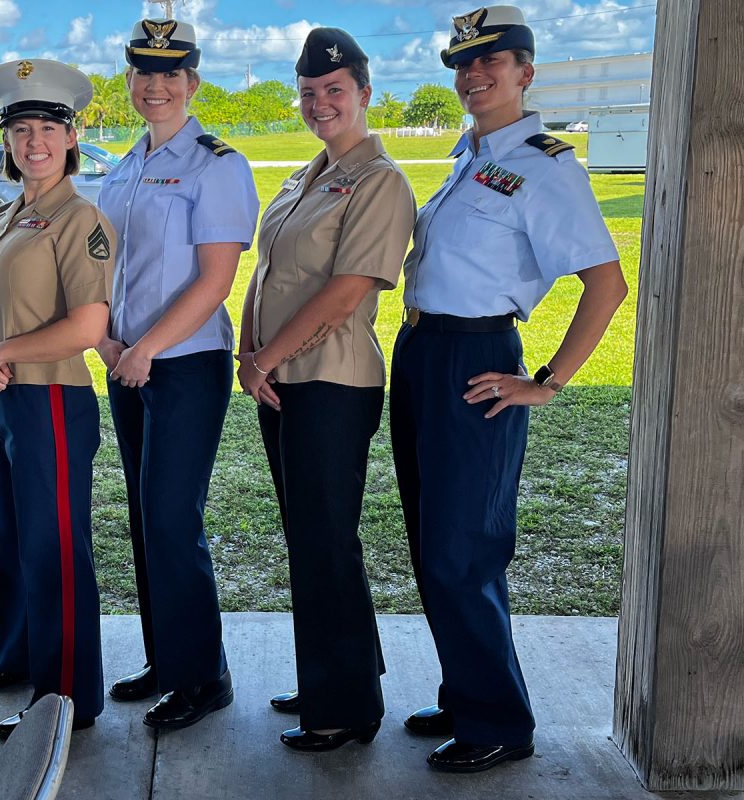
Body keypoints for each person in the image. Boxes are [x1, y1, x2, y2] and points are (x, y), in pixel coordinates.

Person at [392, 5, 627, 773]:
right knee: (434, 540)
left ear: (526, 71)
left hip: (476, 359)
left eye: (493, 61)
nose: (475, 74)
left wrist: (548, 382)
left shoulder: (545, 162)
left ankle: (498, 723)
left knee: (465, 547)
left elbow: (606, 283)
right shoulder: (472, 155)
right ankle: (469, 691)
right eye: (463, 64)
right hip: (423, 354)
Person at [236, 28, 416, 752]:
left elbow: (346, 293)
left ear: (365, 95)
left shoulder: (380, 182)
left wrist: (264, 358)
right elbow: (270, 272)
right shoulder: (303, 176)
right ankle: (342, 675)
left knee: (324, 542)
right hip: (285, 381)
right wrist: (253, 354)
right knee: (312, 538)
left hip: (332, 382)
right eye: (309, 93)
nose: (320, 103)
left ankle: (344, 709)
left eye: (334, 91)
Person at [95, 16, 260, 731]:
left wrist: (145, 348)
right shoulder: (124, 164)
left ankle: (203, 677)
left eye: (170, 74)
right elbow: (108, 266)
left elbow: (215, 281)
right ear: (130, 82)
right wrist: (107, 341)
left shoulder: (216, 163)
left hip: (185, 364)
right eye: (143, 73)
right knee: (142, 517)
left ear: (192, 83)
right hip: (125, 362)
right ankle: (167, 657)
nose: (155, 85)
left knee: (171, 517)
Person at [0, 58, 114, 739]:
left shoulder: (81, 220)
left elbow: (88, 326)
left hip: (51, 400)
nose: (34, 142)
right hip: (2, 399)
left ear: (73, 136)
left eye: (49, 127)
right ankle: (19, 657)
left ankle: (67, 696)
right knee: (13, 539)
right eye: (21, 129)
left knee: (55, 550)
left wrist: (2, 354)